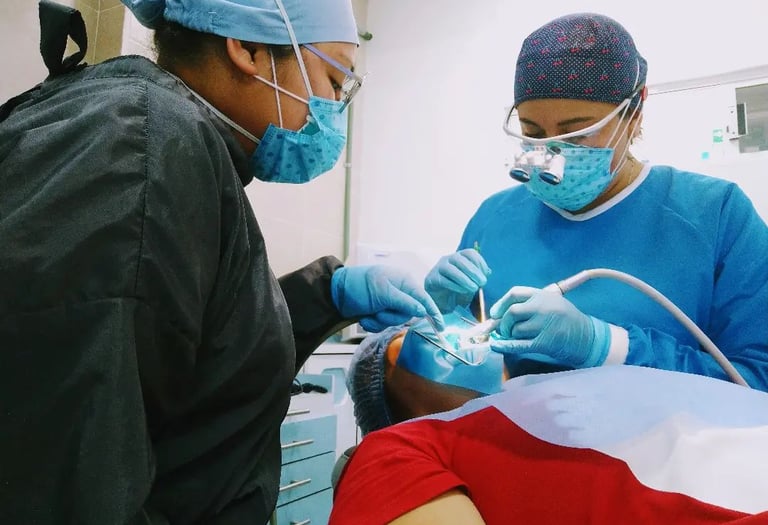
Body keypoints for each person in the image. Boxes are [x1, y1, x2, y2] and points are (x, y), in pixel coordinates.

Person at [0, 1, 442, 524]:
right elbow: (68, 475)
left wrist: (328, 292)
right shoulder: (136, 145)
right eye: (334, 80)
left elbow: (195, 352)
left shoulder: (173, 143)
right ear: (248, 49)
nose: (334, 110)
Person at [424, 12, 768, 389]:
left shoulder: (716, 216)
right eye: (532, 132)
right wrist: (443, 317)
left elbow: (757, 380)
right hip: (517, 440)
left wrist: (606, 346)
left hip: (666, 446)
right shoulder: (494, 218)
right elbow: (456, 374)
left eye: (575, 136)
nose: (551, 154)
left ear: (634, 112)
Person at [331, 365, 768, 525]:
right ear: (396, 401)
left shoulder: (559, 395)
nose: (455, 328)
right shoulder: (399, 446)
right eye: (410, 344)